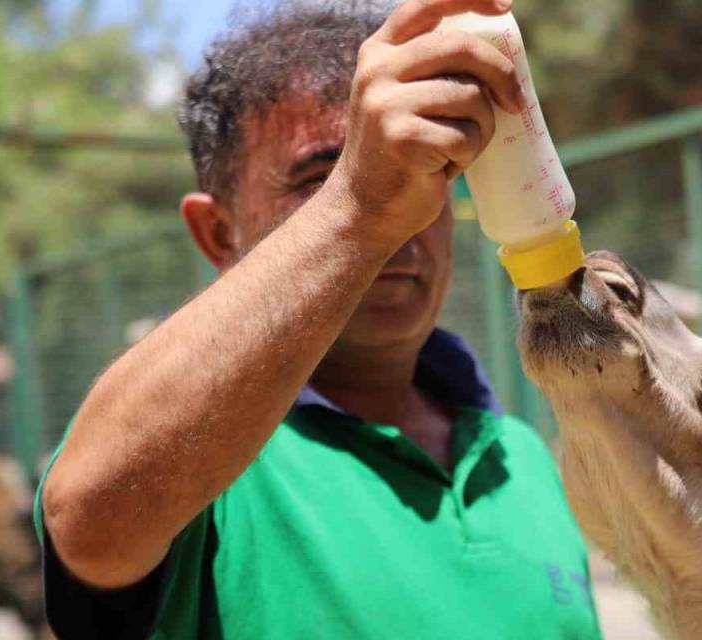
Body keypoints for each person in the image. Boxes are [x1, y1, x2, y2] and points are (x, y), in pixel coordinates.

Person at [34, 0, 602, 637]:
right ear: (218, 232)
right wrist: (358, 204)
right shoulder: (204, 458)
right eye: (318, 177)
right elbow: (88, 518)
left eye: (424, 167)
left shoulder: (522, 456)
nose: (405, 212)